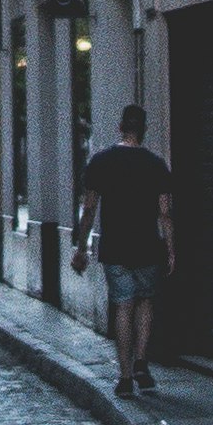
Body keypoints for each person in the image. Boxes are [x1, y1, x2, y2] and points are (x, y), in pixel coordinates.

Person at [79, 99, 174, 404]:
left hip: (115, 247)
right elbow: (165, 213)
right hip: (147, 245)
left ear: (120, 128)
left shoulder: (101, 162)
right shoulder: (156, 164)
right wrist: (171, 250)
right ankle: (141, 362)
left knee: (123, 306)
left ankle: (124, 377)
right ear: (143, 131)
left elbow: (90, 208)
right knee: (145, 302)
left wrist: (81, 247)